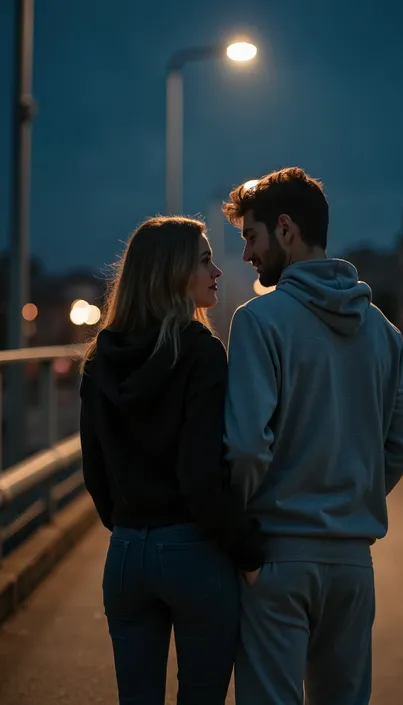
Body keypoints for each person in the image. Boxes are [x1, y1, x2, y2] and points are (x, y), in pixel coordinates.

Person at [222, 167, 403, 705]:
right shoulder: (385, 332)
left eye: (251, 238)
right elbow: (399, 448)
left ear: (285, 230)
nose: (246, 257)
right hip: (355, 563)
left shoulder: (259, 321)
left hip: (277, 558)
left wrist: (244, 540)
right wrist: (351, 501)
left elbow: (243, 446)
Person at [79, 215, 264, 705]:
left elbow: (94, 473)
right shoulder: (201, 352)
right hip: (192, 554)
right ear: (172, 272)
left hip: (125, 557)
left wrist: (130, 530)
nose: (217, 272)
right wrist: (248, 554)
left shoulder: (99, 359)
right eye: (205, 260)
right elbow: (201, 477)